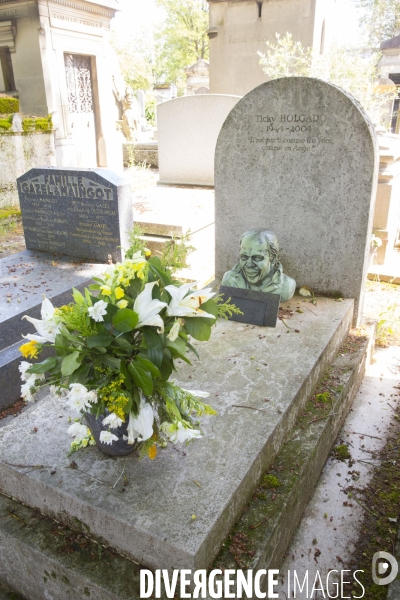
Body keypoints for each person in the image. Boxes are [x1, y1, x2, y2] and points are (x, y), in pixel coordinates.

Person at [221, 229, 296, 302]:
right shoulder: (229, 281)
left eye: (257, 258)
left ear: (272, 258)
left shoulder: (286, 287)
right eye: (244, 257)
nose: (249, 264)